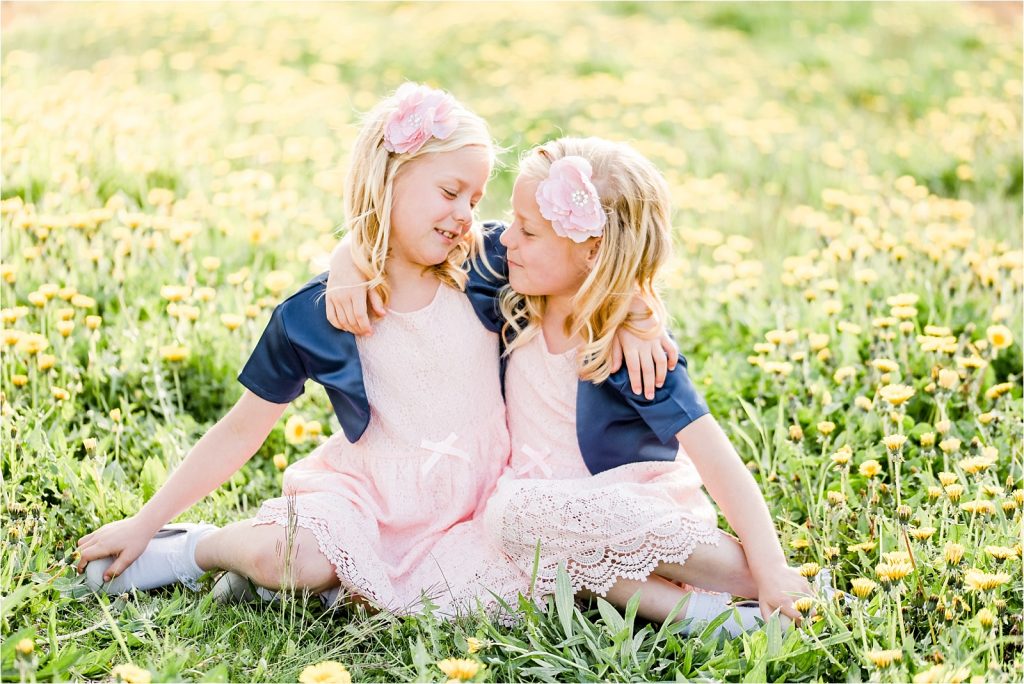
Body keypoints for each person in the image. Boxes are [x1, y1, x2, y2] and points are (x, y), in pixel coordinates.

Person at [75, 85, 667, 621]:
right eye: (450, 191)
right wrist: (143, 521)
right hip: (370, 497)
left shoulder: (487, 265)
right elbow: (239, 431)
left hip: (477, 508)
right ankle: (194, 547)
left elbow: (586, 263)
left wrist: (639, 314)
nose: (467, 213)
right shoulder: (317, 313)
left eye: (477, 196)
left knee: (536, 580)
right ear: (388, 180)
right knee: (296, 559)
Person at [325, 137, 820, 633]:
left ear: (593, 252)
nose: (505, 238)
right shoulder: (513, 287)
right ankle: (709, 618)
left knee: (520, 517)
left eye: (528, 231)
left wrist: (772, 565)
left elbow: (717, 460)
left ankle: (771, 585)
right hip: (532, 519)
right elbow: (408, 246)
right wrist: (348, 258)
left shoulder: (628, 347)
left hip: (628, 509)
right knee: (480, 559)